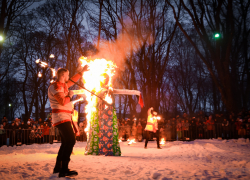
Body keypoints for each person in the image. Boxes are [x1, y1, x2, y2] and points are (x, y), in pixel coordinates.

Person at [48, 65, 88, 178]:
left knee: (66, 142)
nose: (69, 77)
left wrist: (81, 72)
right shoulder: (55, 86)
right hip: (61, 117)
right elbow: (61, 101)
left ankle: (58, 167)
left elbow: (72, 81)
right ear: (63, 75)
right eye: (68, 75)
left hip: (64, 117)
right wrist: (70, 96)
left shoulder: (63, 85)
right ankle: (64, 169)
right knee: (70, 140)